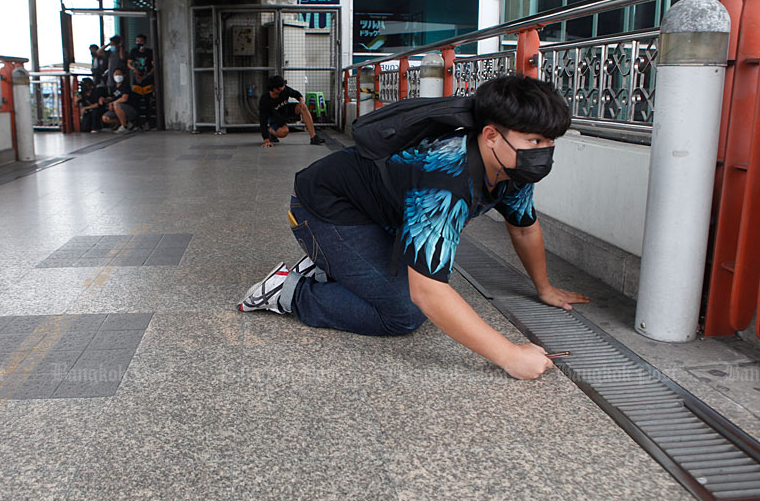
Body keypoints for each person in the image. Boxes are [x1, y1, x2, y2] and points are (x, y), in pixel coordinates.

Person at [239, 75, 589, 380]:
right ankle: (289, 292)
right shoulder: (447, 177)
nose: (544, 154)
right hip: (324, 209)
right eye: (534, 142)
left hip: (380, 213)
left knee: (420, 287)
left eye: (550, 143)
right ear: (491, 135)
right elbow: (428, 293)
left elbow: (525, 227)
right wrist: (509, 356)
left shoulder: (513, 168)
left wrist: (543, 287)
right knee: (403, 312)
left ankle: (335, 264)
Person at [258, 75, 325, 147]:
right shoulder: (265, 100)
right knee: (284, 132)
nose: (284, 89)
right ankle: (271, 131)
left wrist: (302, 101)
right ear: (275, 89)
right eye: (281, 88)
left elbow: (297, 94)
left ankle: (313, 137)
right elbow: (263, 121)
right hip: (275, 117)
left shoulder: (285, 89)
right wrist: (266, 141)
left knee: (303, 107)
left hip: (286, 110)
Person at [128, 34, 155, 129]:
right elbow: (129, 63)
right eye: (137, 41)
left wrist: (147, 75)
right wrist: (134, 69)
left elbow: (154, 65)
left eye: (141, 41)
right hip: (137, 79)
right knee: (136, 102)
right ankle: (137, 123)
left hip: (147, 79)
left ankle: (148, 122)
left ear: (145, 42)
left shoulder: (149, 52)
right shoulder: (133, 51)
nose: (139, 43)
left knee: (148, 102)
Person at [100, 66, 138, 133]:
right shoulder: (113, 87)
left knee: (116, 104)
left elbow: (124, 98)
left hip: (128, 109)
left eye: (119, 74)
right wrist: (105, 100)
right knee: (105, 118)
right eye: (116, 74)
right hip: (116, 110)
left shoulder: (125, 86)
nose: (117, 76)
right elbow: (111, 97)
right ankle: (126, 123)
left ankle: (124, 126)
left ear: (123, 75)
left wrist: (113, 103)